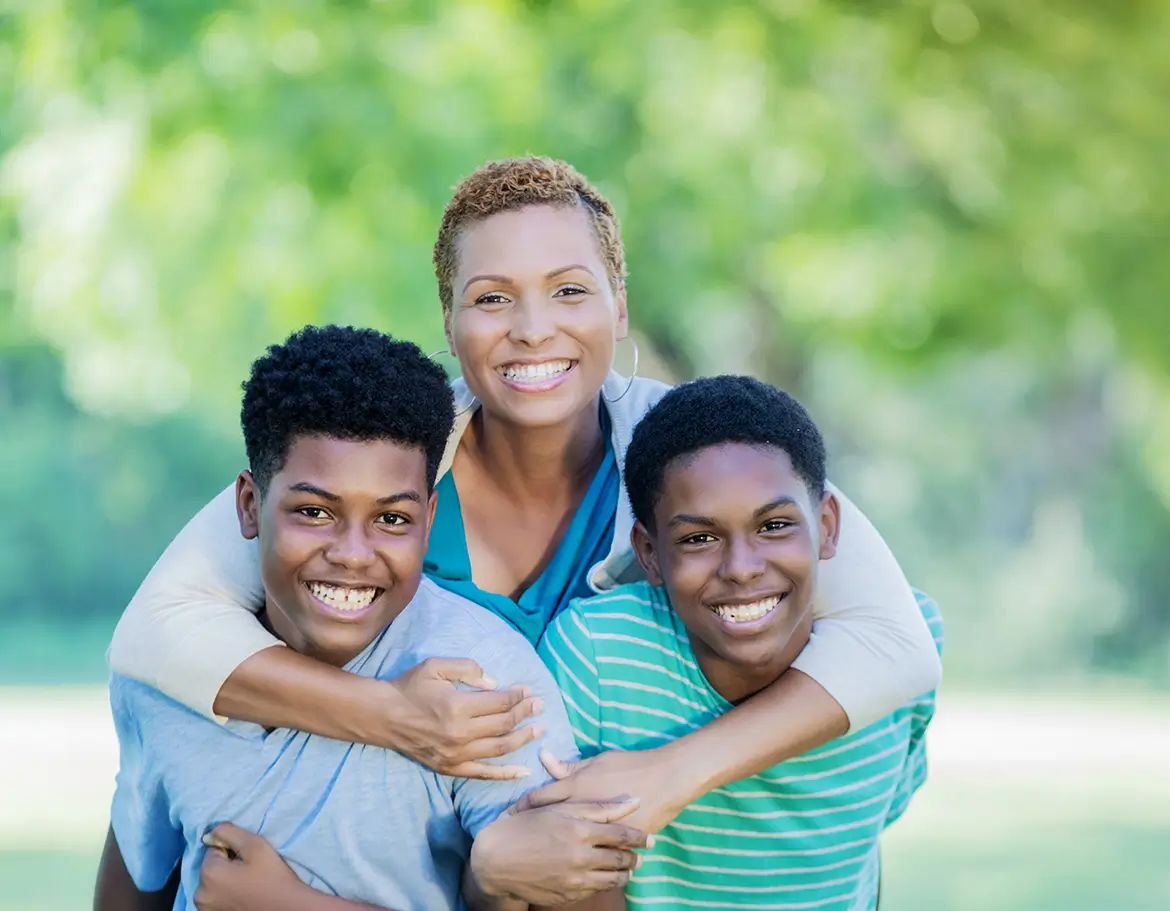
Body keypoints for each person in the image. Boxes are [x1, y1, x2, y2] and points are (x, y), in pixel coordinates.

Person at [106, 156, 942, 830]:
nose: (533, 328)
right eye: (492, 298)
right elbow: (155, 631)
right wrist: (391, 714)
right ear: (449, 321)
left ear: (619, 307)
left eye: (570, 289)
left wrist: (670, 774)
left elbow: (894, 644)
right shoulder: (388, 459)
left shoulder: (687, 452)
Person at [93, 326, 646, 911]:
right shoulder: (167, 681)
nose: (353, 555)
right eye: (314, 512)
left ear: (428, 519)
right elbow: (135, 882)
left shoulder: (486, 687)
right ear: (250, 506)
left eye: (391, 520)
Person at [537, 375, 943, 909]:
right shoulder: (597, 656)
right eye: (699, 538)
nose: (742, 568)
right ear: (650, 554)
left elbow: (857, 855)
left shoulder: (910, 643)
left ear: (827, 526)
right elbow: (570, 875)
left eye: (774, 526)